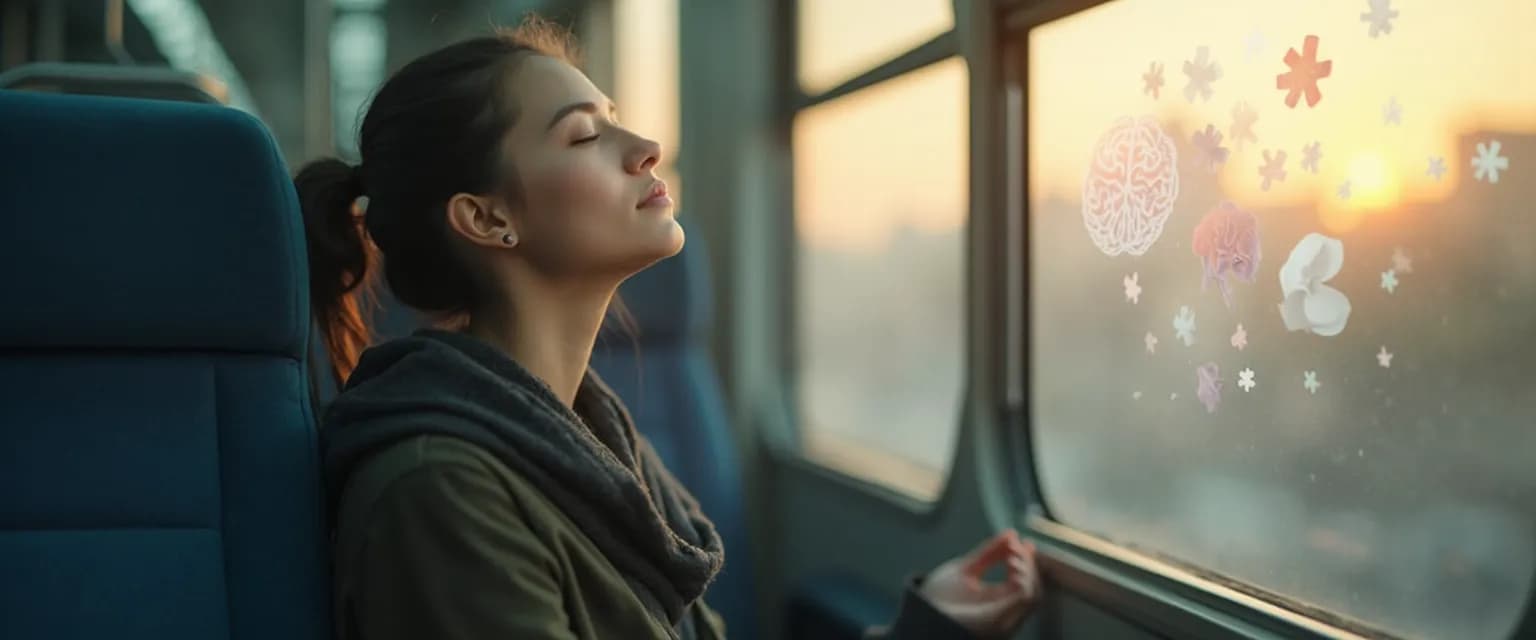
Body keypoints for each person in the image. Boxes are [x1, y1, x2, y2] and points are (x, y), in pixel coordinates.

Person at [297, 15, 1041, 640]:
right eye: (586, 135)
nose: (645, 146)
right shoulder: (442, 497)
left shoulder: (597, 443)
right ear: (488, 218)